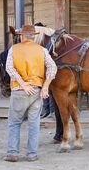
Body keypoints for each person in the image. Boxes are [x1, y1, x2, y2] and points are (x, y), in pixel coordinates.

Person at [4, 24, 57, 162]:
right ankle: (32, 154)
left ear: (21, 36)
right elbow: (53, 67)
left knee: (14, 123)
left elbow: (9, 68)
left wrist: (22, 83)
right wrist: (46, 86)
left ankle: (12, 153)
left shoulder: (14, 49)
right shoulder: (42, 50)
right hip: (37, 91)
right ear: (33, 36)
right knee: (34, 123)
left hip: (19, 91)